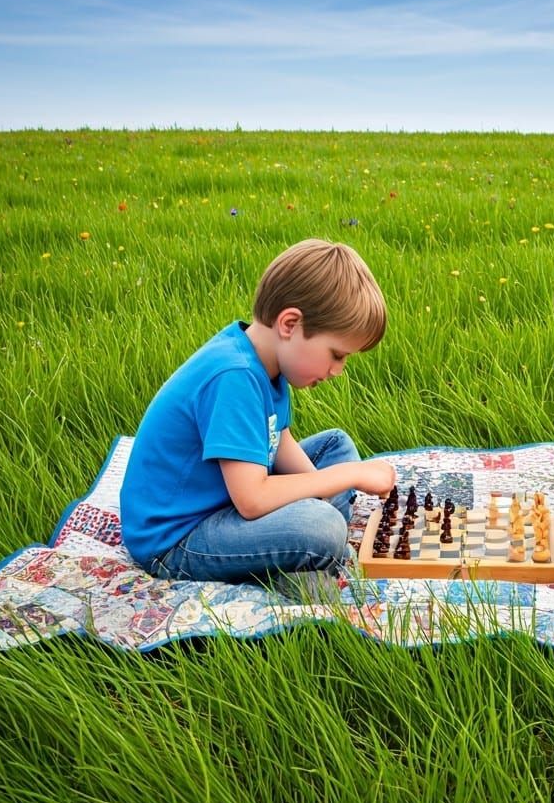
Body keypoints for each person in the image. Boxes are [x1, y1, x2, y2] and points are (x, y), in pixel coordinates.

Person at [120, 238, 396, 585]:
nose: (338, 370)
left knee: (335, 447)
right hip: (178, 538)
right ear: (290, 324)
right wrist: (349, 476)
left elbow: (277, 442)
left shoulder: (267, 360)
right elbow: (252, 500)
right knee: (322, 525)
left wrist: (327, 486)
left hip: (227, 495)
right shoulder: (234, 376)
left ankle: (298, 555)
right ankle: (296, 565)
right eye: (337, 355)